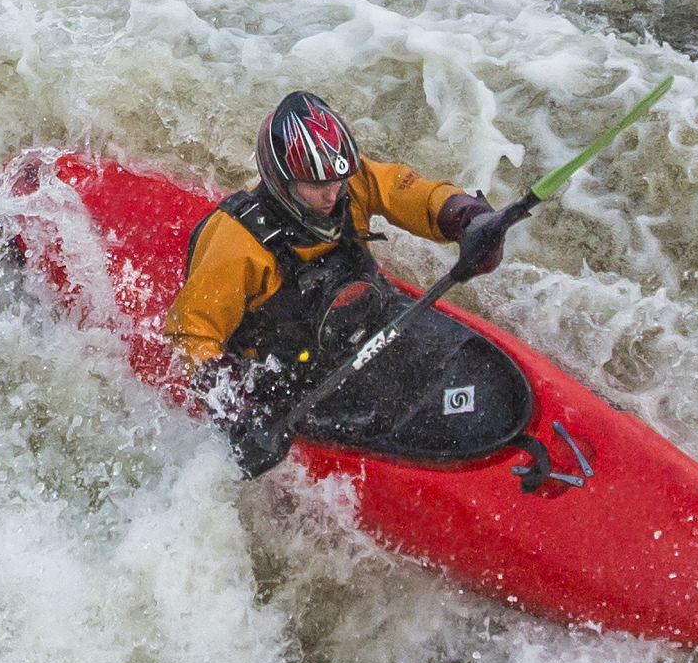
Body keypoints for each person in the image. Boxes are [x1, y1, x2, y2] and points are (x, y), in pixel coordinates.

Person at [169, 90, 516, 476]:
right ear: (282, 182)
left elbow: (411, 191)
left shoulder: (347, 185)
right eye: (318, 186)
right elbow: (191, 334)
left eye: (339, 181)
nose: (333, 196)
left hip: (365, 320)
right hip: (289, 374)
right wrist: (237, 414)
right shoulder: (237, 243)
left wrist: (467, 218)